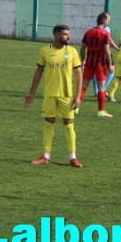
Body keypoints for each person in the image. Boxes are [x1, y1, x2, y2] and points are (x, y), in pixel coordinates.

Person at [24, 25, 84, 168]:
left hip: (67, 95)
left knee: (69, 126)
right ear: (57, 35)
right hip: (50, 94)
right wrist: (32, 93)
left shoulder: (72, 51)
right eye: (65, 34)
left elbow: (79, 74)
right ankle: (46, 156)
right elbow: (38, 72)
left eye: (68, 34)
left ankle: (73, 157)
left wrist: (78, 95)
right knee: (48, 125)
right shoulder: (45, 51)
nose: (68, 37)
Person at [79, 12, 114, 118]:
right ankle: (101, 111)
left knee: (83, 86)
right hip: (100, 64)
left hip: (89, 62)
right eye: (108, 20)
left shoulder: (88, 32)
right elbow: (107, 50)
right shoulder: (105, 33)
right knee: (101, 87)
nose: (109, 21)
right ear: (104, 21)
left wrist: (82, 61)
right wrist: (110, 64)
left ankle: (76, 108)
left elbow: (82, 48)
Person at [92, 12, 119, 99]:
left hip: (93, 53)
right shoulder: (106, 28)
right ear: (105, 19)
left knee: (95, 72)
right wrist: (116, 48)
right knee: (111, 70)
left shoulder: (93, 28)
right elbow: (109, 40)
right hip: (104, 53)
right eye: (109, 19)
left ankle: (96, 91)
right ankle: (102, 90)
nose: (109, 21)